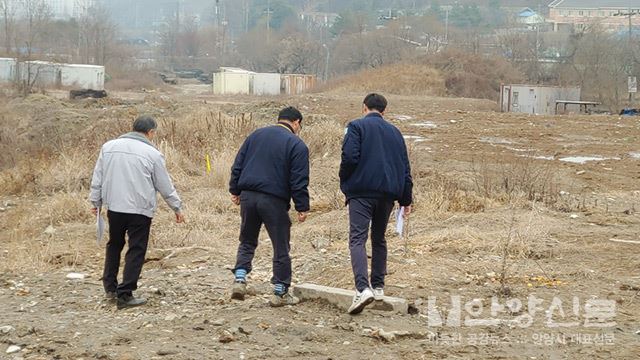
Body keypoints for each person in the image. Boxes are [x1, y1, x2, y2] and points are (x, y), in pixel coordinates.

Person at [89, 115, 184, 309]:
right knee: (136, 249)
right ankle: (125, 294)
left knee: (114, 244)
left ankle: (110, 287)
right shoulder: (152, 153)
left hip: (114, 206)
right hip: (139, 209)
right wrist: (176, 207)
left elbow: (98, 176)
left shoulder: (108, 147)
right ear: (150, 132)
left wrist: (95, 201)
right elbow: (164, 185)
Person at [340, 93, 413, 314]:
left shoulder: (355, 127)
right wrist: (405, 199)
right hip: (388, 194)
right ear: (384, 111)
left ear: (364, 107)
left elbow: (349, 157)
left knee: (357, 239)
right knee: (379, 238)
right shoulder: (395, 133)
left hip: (361, 192)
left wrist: (345, 181)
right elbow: (404, 168)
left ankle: (363, 288)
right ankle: (379, 286)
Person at [229, 106, 310, 307]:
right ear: (296, 122)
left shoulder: (256, 135)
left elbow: (238, 163)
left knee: (247, 240)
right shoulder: (297, 145)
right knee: (280, 246)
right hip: (274, 200)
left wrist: (235, 190)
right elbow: (298, 180)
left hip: (248, 196)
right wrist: (302, 206)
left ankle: (240, 279)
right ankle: (280, 292)